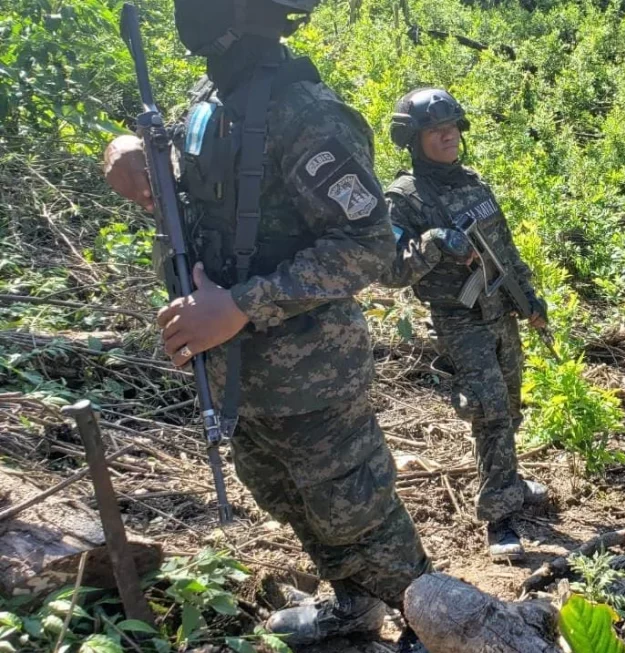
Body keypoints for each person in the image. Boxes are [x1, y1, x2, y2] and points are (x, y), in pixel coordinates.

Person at [101, 0, 458, 647]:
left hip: (313, 378)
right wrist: (132, 153)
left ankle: (425, 626)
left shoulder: (305, 111)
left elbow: (368, 244)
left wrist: (241, 305)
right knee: (284, 496)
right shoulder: (218, 94)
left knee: (359, 509)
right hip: (240, 373)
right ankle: (353, 606)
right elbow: (212, 191)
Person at [382, 87, 549, 562]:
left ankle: (510, 479)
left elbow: (507, 248)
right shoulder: (404, 199)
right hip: (459, 318)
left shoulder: (475, 184)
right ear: (413, 139)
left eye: (452, 126)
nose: (448, 135)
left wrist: (530, 297)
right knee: (488, 408)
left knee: (511, 404)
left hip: (500, 310)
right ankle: (499, 518)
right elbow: (391, 270)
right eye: (436, 130)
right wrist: (435, 241)